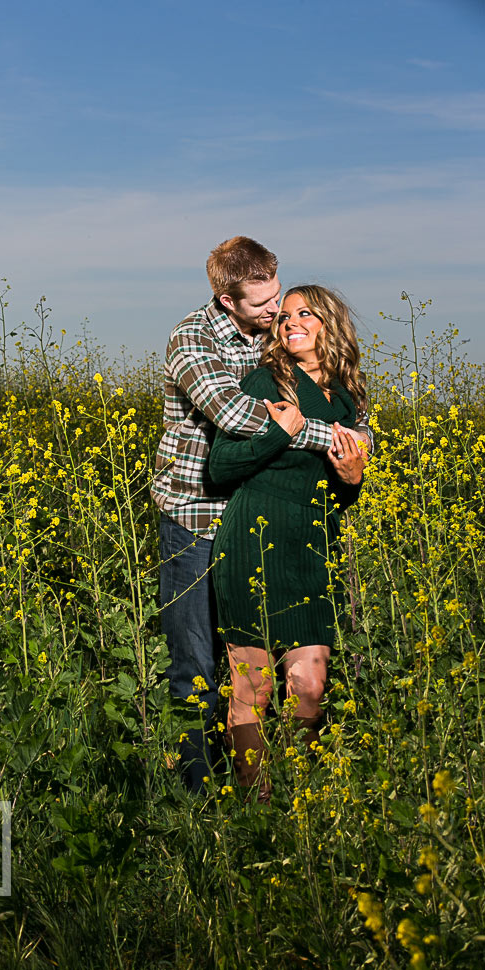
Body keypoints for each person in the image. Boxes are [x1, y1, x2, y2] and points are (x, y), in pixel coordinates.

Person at [152, 237, 373, 793]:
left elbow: (320, 395)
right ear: (229, 302)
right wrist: (337, 440)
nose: (277, 311)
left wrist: (354, 451)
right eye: (263, 303)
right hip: (197, 515)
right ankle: (201, 796)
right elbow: (238, 415)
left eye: (281, 296)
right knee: (200, 667)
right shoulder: (193, 338)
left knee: (288, 674)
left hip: (269, 520)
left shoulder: (272, 337)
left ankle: (279, 794)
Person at [209, 285, 367, 798]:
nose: (290, 322)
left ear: (330, 324)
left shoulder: (346, 399)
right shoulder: (266, 380)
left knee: (310, 688)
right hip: (254, 535)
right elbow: (220, 467)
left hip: (312, 546)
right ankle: (258, 806)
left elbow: (333, 495)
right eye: (286, 315)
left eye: (306, 314)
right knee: (254, 686)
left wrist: (352, 479)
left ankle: (298, 804)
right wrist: (279, 434)